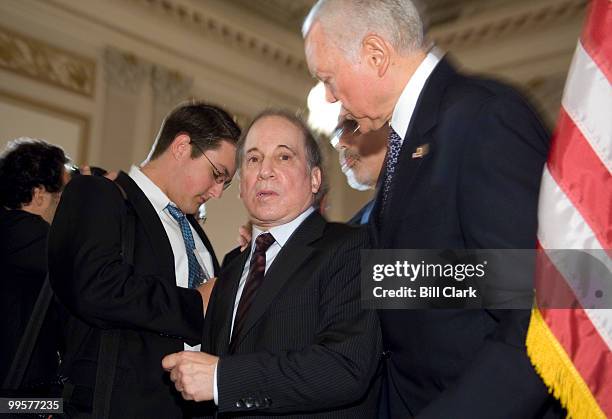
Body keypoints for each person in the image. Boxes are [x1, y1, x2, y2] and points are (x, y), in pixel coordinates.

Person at [303, 1, 561, 418]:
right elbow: (443, 281)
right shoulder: (407, 145)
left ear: (375, 54)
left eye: (329, 79)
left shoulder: (483, 118)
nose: (331, 98)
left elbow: (540, 311)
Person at [162, 110, 381, 418]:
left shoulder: (354, 247)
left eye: (284, 157)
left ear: (315, 178)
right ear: (240, 186)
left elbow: (345, 366)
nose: (265, 170)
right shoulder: (232, 265)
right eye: (252, 159)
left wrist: (222, 379)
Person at [48, 102, 241, 417]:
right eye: (217, 175)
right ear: (181, 147)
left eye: (226, 183)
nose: (217, 192)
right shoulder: (99, 193)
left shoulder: (196, 234)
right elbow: (96, 287)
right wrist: (195, 303)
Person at [0, 138, 69, 393]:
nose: (64, 206)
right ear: (39, 195)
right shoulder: (25, 233)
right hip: (17, 402)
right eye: (61, 196)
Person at [331, 116, 388, 224]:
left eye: (352, 125)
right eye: (339, 132)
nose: (340, 143)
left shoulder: (425, 195)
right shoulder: (356, 230)